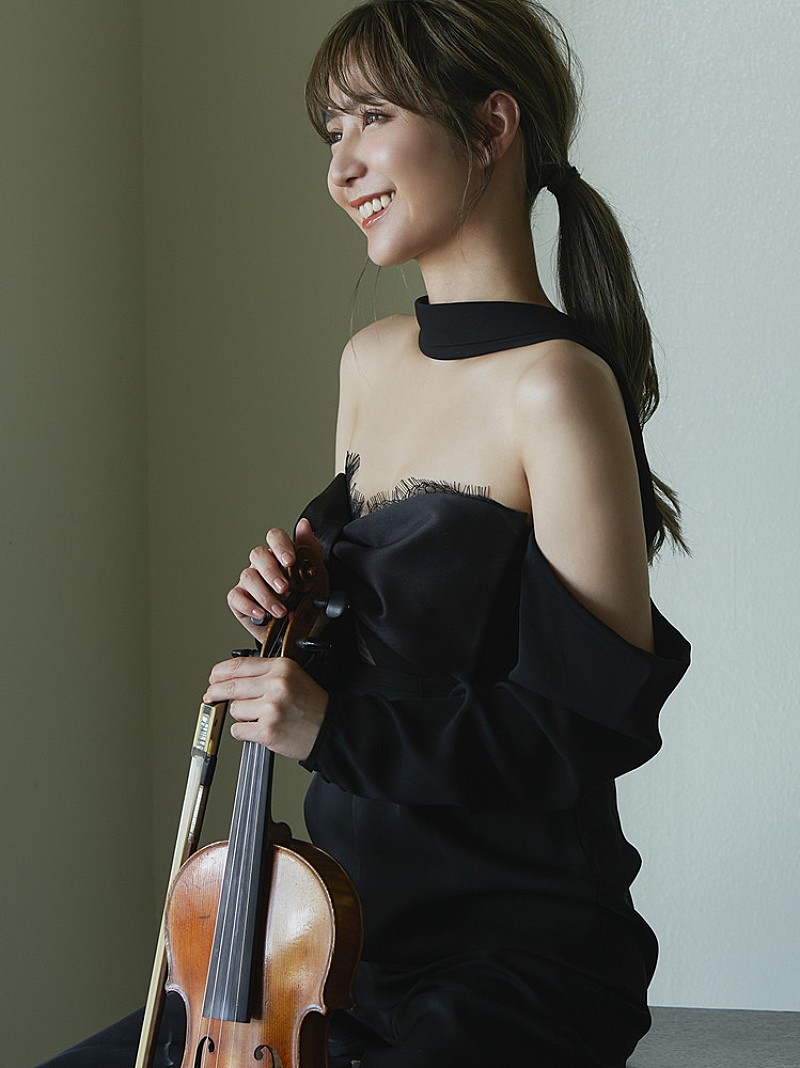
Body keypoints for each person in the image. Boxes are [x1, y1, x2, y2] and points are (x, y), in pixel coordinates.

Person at [38, 2, 689, 1066]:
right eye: (331, 131)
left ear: (491, 126)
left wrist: (328, 727)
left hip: (509, 962)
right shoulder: (370, 363)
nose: (341, 167)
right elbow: (399, 654)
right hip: (330, 945)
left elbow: (583, 725)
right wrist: (294, 622)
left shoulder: (557, 388)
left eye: (373, 118)